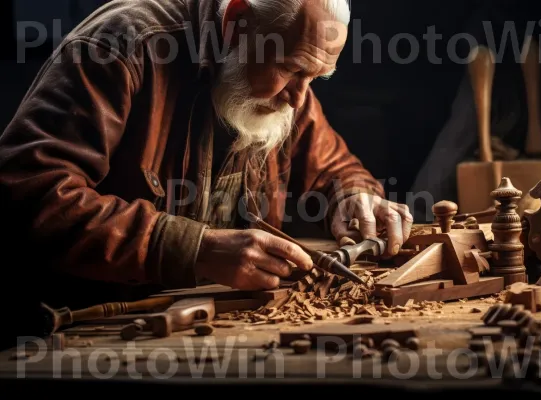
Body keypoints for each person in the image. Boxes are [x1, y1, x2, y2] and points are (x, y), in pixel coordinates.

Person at [0, 0, 412, 329]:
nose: (300, 100)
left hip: (210, 325)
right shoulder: (122, 46)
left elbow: (333, 167)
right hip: (79, 328)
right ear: (235, 23)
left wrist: (354, 196)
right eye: (291, 69)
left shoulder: (287, 83)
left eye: (317, 78)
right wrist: (197, 248)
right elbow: (32, 195)